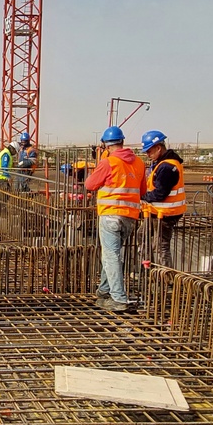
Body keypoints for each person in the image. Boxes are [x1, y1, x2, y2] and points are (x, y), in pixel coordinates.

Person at [83, 127, 144, 312]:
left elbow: (89, 184)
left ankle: (119, 298)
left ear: (106, 145)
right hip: (130, 217)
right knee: (112, 255)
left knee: (111, 256)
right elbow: (143, 191)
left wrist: (102, 162)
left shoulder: (109, 162)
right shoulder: (140, 163)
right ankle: (104, 291)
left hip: (110, 215)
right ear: (122, 142)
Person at [140, 130, 186, 267]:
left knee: (161, 246)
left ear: (158, 148)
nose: (147, 155)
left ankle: (166, 279)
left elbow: (160, 193)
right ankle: (148, 267)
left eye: (149, 151)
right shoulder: (162, 163)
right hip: (157, 212)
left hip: (166, 214)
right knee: (142, 235)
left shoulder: (167, 167)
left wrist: (142, 197)